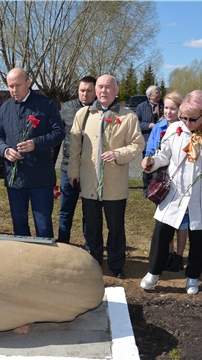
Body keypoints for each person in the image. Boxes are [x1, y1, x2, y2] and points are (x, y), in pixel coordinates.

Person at [140, 90, 202, 295]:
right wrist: (152, 162)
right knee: (161, 233)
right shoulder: (175, 128)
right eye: (184, 117)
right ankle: (153, 272)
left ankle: (193, 277)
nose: (187, 123)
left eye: (193, 119)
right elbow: (164, 154)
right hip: (175, 192)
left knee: (198, 237)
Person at [68, 74, 144, 278]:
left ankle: (116, 264)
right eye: (100, 87)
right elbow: (74, 147)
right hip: (90, 182)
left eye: (108, 87)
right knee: (92, 226)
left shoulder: (129, 117)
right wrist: (73, 172)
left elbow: (138, 144)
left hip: (114, 184)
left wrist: (118, 154)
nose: (103, 91)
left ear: (116, 90)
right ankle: (93, 263)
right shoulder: (83, 115)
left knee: (115, 228)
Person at [0, 68, 65, 238]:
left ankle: (45, 260)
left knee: (42, 223)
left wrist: (36, 143)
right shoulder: (4, 108)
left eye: (18, 85)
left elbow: (58, 133)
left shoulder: (46, 104)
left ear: (28, 82)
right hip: (15, 175)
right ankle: (23, 258)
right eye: (10, 86)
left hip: (40, 175)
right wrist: (5, 150)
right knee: (18, 222)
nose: (14, 90)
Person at [145, 91, 187, 272]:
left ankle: (179, 255)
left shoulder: (188, 128)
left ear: (181, 109)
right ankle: (168, 254)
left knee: (183, 222)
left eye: (173, 108)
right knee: (165, 219)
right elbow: (151, 150)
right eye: (166, 108)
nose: (168, 112)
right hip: (162, 180)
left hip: (182, 181)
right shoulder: (158, 127)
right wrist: (149, 160)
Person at [57, 76, 97, 245]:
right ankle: (63, 243)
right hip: (68, 168)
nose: (85, 94)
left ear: (95, 92)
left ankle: (89, 247)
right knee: (65, 210)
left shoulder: (100, 111)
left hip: (91, 170)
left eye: (89, 91)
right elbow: (57, 138)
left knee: (89, 212)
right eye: (82, 90)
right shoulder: (66, 109)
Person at [136, 85, 164, 197]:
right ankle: (147, 189)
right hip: (148, 140)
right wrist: (150, 125)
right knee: (147, 164)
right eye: (157, 92)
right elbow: (137, 123)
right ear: (150, 95)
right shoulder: (141, 107)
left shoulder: (164, 105)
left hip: (162, 139)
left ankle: (160, 188)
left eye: (159, 92)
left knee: (161, 166)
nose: (159, 94)